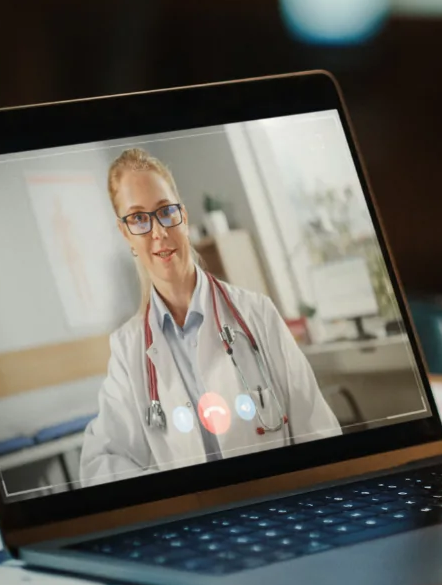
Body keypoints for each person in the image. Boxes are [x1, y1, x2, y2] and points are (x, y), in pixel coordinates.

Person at [79, 148, 339, 486]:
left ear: (183, 217)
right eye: (139, 218)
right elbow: (99, 463)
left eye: (164, 212)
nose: (157, 232)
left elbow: (318, 431)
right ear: (125, 234)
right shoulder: (128, 350)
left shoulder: (256, 313)